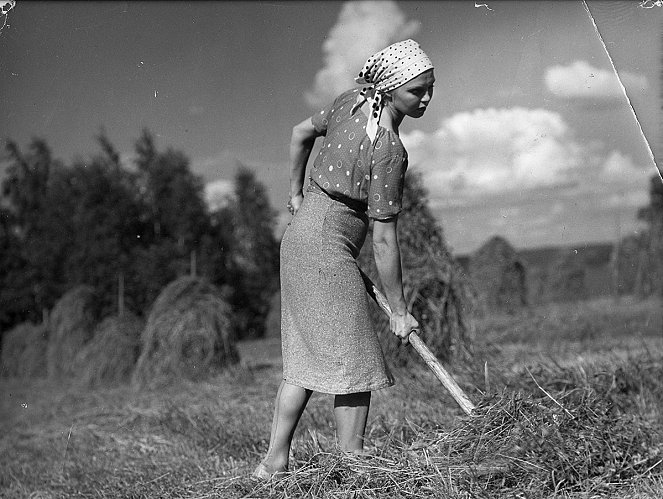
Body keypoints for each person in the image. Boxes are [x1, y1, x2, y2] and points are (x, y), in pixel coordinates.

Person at [253, 39, 435, 480]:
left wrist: (296, 194)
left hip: (299, 238)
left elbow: (300, 134)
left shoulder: (349, 102)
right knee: (354, 359)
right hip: (325, 248)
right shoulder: (390, 149)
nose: (427, 97)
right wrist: (400, 310)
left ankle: (273, 463)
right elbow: (385, 241)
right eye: (417, 91)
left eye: (430, 87)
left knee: (305, 359)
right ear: (391, 90)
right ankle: (354, 470)